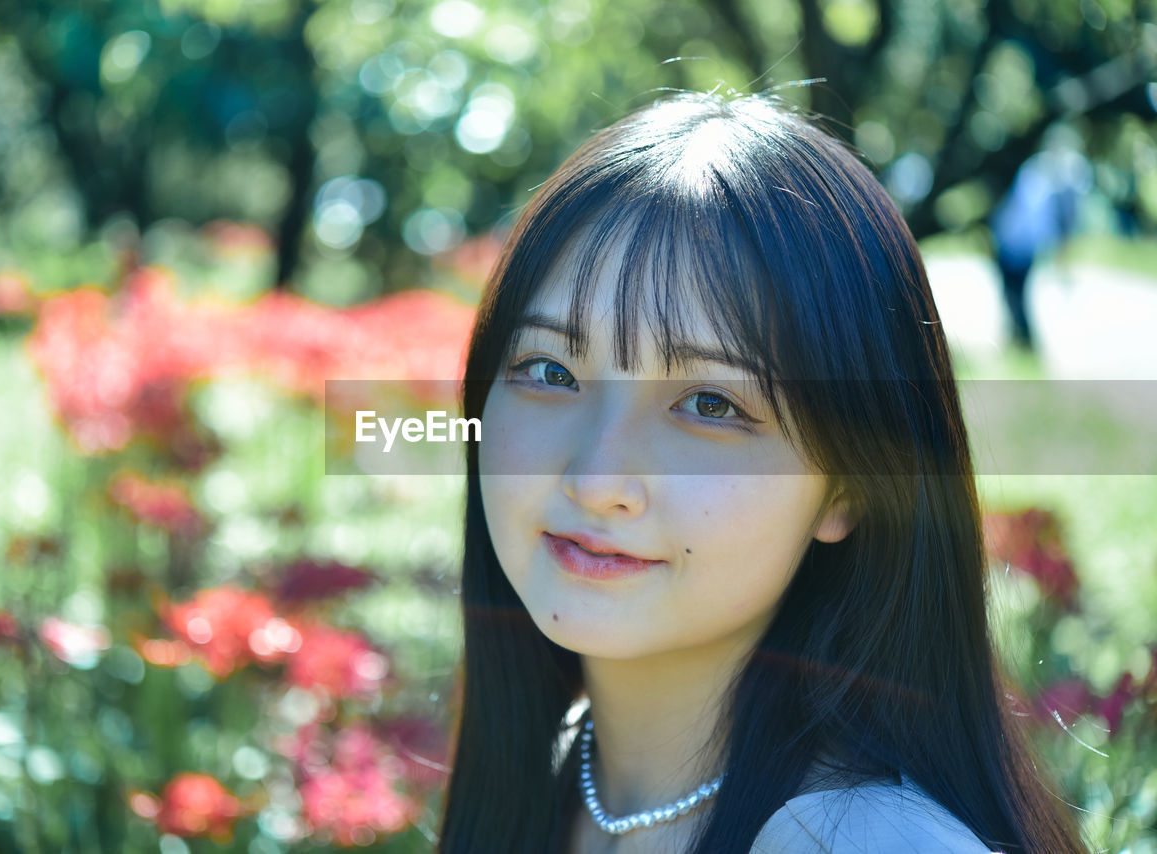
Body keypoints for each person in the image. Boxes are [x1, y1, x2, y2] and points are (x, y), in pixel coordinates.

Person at [435, 92, 1087, 853]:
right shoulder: (552, 776)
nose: (595, 477)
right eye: (548, 370)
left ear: (848, 485)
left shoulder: (858, 841)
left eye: (710, 403)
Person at [989, 125, 1092, 352]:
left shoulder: (1054, 174)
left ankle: (1023, 338)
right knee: (1012, 289)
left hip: (1021, 242)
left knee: (1016, 290)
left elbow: (1059, 216)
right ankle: (1019, 336)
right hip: (1011, 238)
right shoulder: (1036, 170)